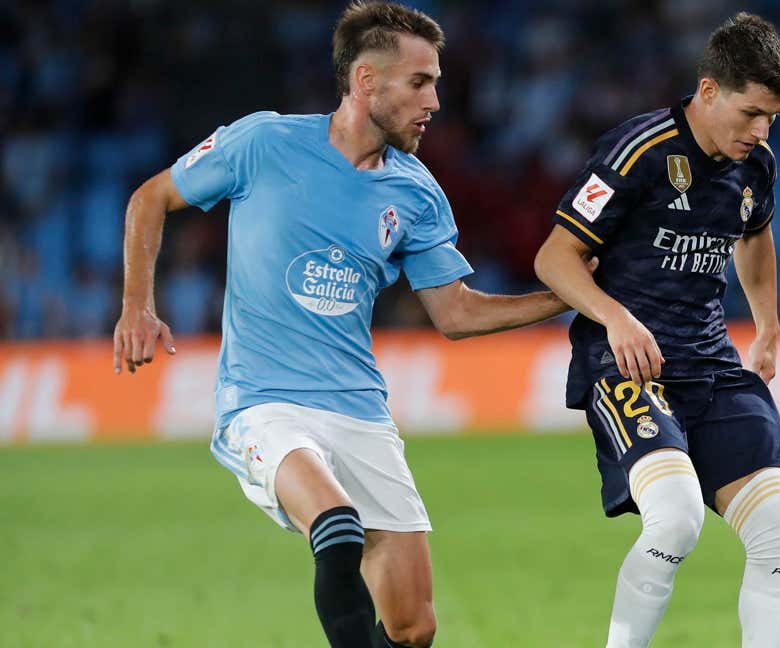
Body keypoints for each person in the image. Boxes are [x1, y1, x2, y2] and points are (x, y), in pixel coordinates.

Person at [112, 2, 573, 646]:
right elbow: (150, 197)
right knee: (335, 521)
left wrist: (564, 297)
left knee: (413, 628)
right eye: (420, 82)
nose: (435, 100)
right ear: (365, 82)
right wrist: (138, 304)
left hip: (359, 409)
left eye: (436, 82)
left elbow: (456, 312)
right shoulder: (263, 143)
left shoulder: (416, 192)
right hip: (264, 403)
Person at [534, 13, 780, 648]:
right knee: (677, 518)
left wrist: (767, 325)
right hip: (629, 367)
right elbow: (554, 257)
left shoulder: (756, 165)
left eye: (772, 117)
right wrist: (615, 317)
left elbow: (756, 236)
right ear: (709, 90)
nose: (761, 131)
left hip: (712, 366)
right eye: (751, 113)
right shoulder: (638, 151)